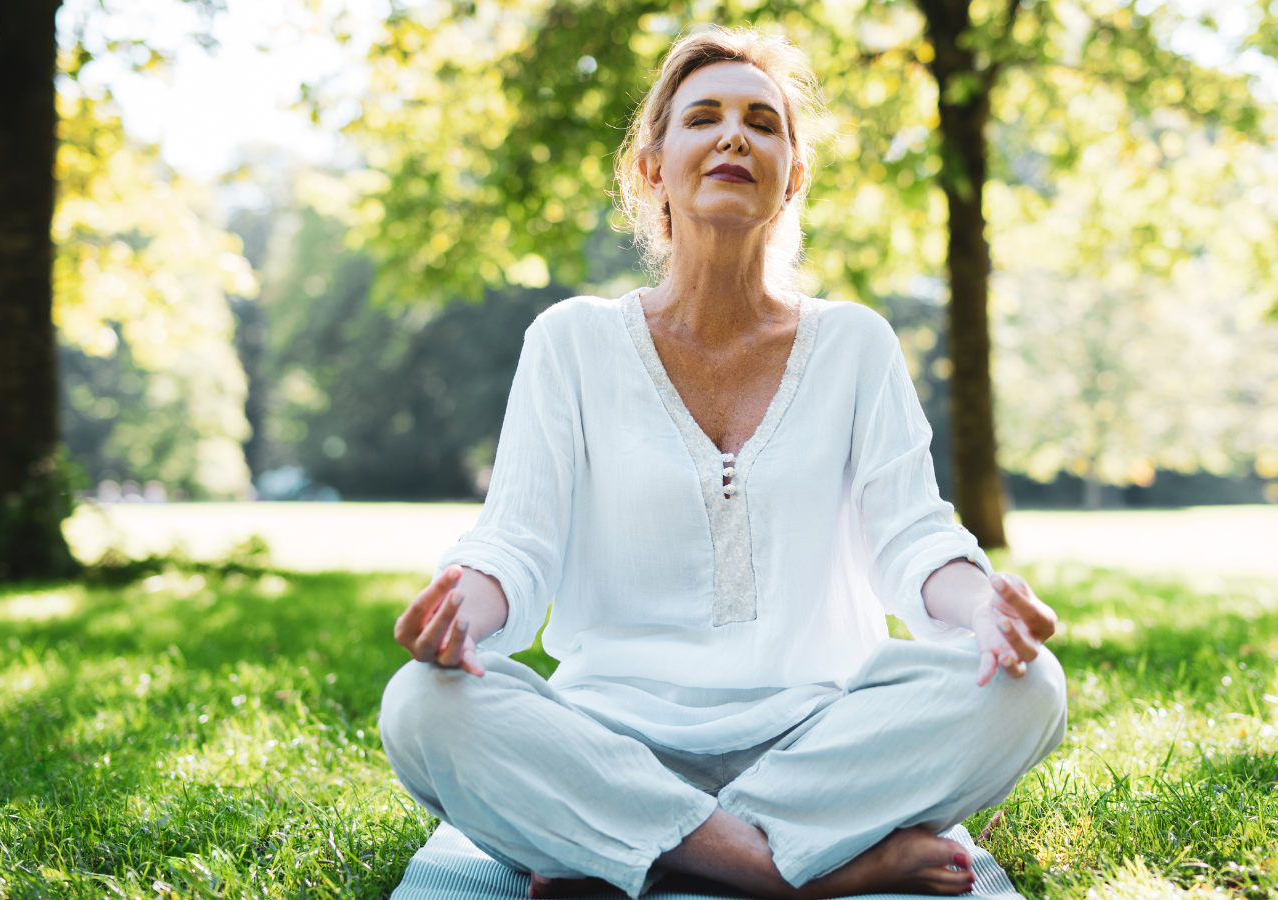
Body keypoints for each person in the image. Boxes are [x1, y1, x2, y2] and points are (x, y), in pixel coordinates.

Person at [378, 27, 1067, 900]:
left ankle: (630, 850)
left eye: (763, 122)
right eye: (703, 117)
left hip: (818, 738)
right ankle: (798, 872)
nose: (735, 136)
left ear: (795, 174)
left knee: (1029, 687)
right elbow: (515, 543)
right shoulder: (571, 341)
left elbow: (914, 539)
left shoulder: (855, 343)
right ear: (652, 166)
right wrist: (459, 612)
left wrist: (984, 606)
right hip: (609, 737)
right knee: (420, 704)